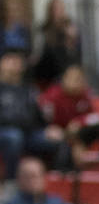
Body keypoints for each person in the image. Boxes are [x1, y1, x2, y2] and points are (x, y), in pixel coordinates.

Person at [39, 63, 99, 174]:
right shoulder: (53, 95)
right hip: (57, 132)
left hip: (77, 132)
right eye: (73, 78)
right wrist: (50, 128)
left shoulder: (83, 95)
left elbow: (95, 116)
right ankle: (60, 168)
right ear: (64, 79)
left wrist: (79, 122)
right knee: (58, 139)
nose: (76, 82)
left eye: (79, 79)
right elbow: (41, 116)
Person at [0, 50, 61, 178]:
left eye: (18, 60)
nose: (15, 63)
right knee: (14, 137)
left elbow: (39, 116)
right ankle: (11, 180)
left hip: (28, 132)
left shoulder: (30, 89)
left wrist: (48, 128)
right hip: (6, 131)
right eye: (10, 59)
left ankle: (54, 178)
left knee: (56, 139)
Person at [32, 0, 82, 89]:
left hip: (65, 66)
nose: (60, 11)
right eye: (56, 8)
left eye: (62, 8)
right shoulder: (44, 28)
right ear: (50, 11)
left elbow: (74, 51)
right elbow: (39, 51)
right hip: (48, 67)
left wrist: (72, 38)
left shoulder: (69, 26)